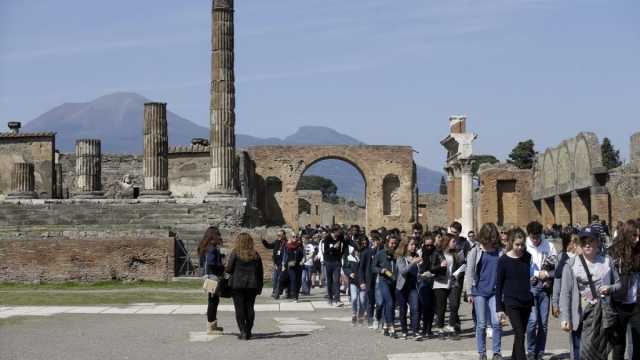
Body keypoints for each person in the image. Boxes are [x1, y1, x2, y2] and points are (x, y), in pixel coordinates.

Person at [560, 226, 621, 360]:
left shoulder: (607, 261)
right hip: (580, 315)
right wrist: (565, 317)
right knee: (579, 351)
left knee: (600, 351)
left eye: (591, 240)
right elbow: (565, 293)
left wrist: (609, 288)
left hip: (603, 315)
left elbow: (619, 284)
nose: (587, 244)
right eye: (584, 241)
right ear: (579, 243)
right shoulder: (571, 264)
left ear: (597, 242)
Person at [465, 223, 504, 360]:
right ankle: (482, 352)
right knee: (481, 323)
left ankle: (497, 352)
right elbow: (469, 272)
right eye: (487, 240)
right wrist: (469, 292)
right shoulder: (475, 251)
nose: (489, 243)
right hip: (479, 291)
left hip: (495, 292)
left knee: (496, 322)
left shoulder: (500, 251)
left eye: (492, 239)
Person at [496, 228, 533, 360]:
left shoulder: (528, 257)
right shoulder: (503, 260)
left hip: (526, 301)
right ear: (511, 243)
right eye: (517, 244)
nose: (520, 247)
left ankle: (514, 357)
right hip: (511, 302)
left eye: (522, 244)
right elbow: (499, 285)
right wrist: (499, 308)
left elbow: (530, 274)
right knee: (519, 332)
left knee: (521, 333)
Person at [608, 220, 640, 360]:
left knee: (638, 342)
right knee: (619, 344)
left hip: (636, 304)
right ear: (627, 235)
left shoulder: (638, 249)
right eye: (634, 236)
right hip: (619, 304)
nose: (637, 239)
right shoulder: (614, 252)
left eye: (639, 235)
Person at [526, 221, 557, 360]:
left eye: (538, 237)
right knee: (532, 321)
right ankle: (531, 350)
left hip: (545, 288)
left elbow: (557, 268)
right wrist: (532, 276)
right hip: (530, 287)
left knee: (543, 323)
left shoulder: (549, 246)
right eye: (533, 237)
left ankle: (540, 352)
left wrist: (548, 276)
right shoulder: (525, 245)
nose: (536, 240)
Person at [225, 233, 264, 341]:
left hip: (237, 285)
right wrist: (260, 286)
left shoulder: (235, 253)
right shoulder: (255, 254)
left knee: (239, 309)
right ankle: (249, 330)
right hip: (252, 285)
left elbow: (228, 269)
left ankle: (243, 331)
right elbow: (260, 272)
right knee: (250, 308)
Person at [433, 232, 466, 337]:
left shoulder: (456, 253)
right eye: (453, 241)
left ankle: (451, 325)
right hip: (440, 283)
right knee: (441, 307)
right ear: (447, 242)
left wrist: (458, 272)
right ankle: (440, 327)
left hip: (452, 282)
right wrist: (440, 266)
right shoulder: (438, 253)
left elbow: (463, 265)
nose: (455, 243)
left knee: (454, 304)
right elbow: (432, 267)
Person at [197, 226, 225, 335]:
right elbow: (211, 263)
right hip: (213, 277)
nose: (219, 236)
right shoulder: (212, 247)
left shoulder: (205, 246)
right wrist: (222, 267)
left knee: (212, 301)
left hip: (208, 276)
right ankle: (211, 326)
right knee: (213, 301)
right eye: (218, 234)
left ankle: (213, 325)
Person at [418, 233, 445, 338]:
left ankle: (429, 329)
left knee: (432, 307)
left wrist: (433, 270)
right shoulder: (420, 253)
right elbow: (418, 268)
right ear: (424, 244)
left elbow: (444, 267)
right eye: (427, 245)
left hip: (435, 282)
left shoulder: (438, 253)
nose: (429, 247)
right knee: (425, 306)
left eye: (430, 245)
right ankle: (424, 328)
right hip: (423, 282)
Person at [373, 235, 399, 337]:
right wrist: (381, 270)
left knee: (389, 305)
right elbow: (373, 267)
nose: (393, 245)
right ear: (387, 243)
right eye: (392, 243)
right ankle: (391, 326)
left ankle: (384, 326)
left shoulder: (397, 254)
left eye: (395, 243)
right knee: (389, 302)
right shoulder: (380, 254)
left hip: (394, 282)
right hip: (384, 281)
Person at [396, 238, 422, 339]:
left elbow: (419, 271)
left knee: (415, 308)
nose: (414, 246)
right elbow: (403, 271)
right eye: (411, 244)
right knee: (403, 310)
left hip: (413, 287)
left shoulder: (416, 256)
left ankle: (415, 331)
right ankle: (404, 330)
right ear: (406, 245)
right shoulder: (401, 258)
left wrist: (422, 272)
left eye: (415, 245)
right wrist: (413, 263)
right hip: (402, 287)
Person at [449, 221, 471, 333]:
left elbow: (468, 260)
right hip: (446, 275)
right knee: (451, 302)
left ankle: (452, 324)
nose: (452, 234)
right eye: (451, 232)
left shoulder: (464, 243)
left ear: (459, 233)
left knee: (455, 302)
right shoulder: (446, 240)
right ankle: (455, 322)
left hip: (458, 275)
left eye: (455, 233)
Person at [344, 240, 367, 326]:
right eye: (355, 250)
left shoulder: (363, 257)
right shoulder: (348, 258)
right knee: (354, 298)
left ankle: (360, 316)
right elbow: (345, 267)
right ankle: (354, 314)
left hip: (362, 282)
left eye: (358, 250)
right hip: (353, 282)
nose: (356, 252)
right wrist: (350, 273)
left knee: (362, 300)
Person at [323, 226, 346, 307]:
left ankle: (337, 300)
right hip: (328, 262)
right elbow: (325, 251)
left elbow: (345, 245)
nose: (339, 233)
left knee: (336, 281)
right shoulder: (327, 239)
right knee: (329, 281)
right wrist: (333, 247)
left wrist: (341, 254)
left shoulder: (340, 237)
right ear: (334, 231)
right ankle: (330, 298)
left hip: (337, 262)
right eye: (338, 231)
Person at [261, 230, 286, 298]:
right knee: (275, 278)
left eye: (280, 235)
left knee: (280, 279)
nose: (278, 237)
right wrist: (264, 241)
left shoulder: (286, 243)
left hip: (283, 263)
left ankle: (277, 293)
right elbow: (268, 246)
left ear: (284, 235)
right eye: (277, 235)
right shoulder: (276, 242)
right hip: (276, 264)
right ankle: (275, 291)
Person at [283, 235, 304, 302]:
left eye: (296, 237)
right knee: (293, 280)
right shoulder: (287, 247)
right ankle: (294, 296)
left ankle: (296, 294)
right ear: (291, 238)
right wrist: (284, 264)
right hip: (291, 266)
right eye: (293, 237)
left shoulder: (300, 246)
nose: (295, 238)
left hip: (298, 266)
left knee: (298, 282)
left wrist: (302, 261)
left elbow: (304, 256)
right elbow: (285, 256)